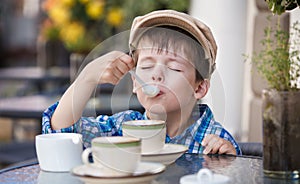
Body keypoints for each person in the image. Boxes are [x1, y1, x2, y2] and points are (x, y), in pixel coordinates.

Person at [42, 10, 241, 155]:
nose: (157, 75)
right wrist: (87, 77)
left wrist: (228, 163)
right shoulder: (122, 128)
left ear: (199, 87)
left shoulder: (216, 141)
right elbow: (60, 130)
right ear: (135, 84)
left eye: (174, 68)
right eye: (146, 67)